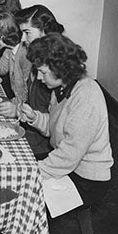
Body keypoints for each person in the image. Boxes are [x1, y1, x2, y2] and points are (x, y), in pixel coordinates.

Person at [20, 33, 113, 208]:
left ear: (59, 67)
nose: (39, 78)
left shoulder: (86, 95)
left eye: (43, 72)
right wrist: (35, 117)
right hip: (68, 165)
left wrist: (32, 172)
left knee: (22, 199)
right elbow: (55, 128)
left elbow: (70, 153)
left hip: (87, 180)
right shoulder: (62, 87)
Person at [0, 4, 65, 154]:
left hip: (45, 143)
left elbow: (57, 124)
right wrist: (16, 106)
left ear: (44, 31)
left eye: (27, 32)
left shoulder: (57, 67)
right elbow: (29, 99)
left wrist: (17, 111)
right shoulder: (38, 58)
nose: (23, 39)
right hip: (33, 127)